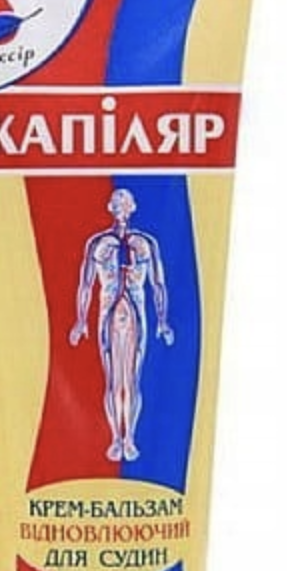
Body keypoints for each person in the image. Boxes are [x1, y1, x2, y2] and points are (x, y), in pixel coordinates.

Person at [69, 188, 174, 461]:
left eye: (125, 202)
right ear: (109, 207)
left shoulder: (146, 243)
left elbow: (158, 284)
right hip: (108, 313)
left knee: (132, 378)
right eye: (116, 202)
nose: (121, 207)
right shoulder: (98, 243)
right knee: (113, 378)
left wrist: (163, 320)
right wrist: (80, 320)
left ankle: (130, 438)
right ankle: (116, 437)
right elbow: (86, 284)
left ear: (133, 207)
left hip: (136, 311)